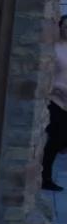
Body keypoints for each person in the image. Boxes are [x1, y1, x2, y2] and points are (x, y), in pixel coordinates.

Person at [43, 15, 67, 191]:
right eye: (65, 26)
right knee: (56, 139)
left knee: (61, 139)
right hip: (56, 100)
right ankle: (45, 178)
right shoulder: (54, 49)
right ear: (60, 27)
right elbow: (46, 75)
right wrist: (58, 88)